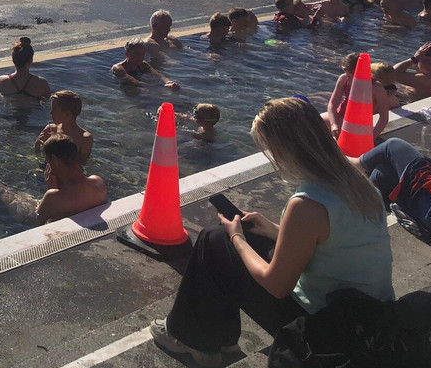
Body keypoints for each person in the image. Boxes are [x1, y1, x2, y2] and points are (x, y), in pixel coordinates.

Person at [150, 97, 393, 367]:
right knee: (248, 235)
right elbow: (332, 245)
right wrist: (272, 229)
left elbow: (277, 286)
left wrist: (237, 238)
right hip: (368, 315)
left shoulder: (307, 204)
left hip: (325, 327)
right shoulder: (359, 183)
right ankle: (215, 339)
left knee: (215, 240)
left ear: (284, 150)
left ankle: (191, 340)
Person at [35, 135, 108, 224]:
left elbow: (38, 224)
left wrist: (51, 190)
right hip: (93, 225)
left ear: (54, 160)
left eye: (48, 162)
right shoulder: (98, 183)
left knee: (23, 201)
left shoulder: (52, 198)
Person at [35, 90, 93, 164]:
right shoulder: (50, 129)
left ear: (67, 114)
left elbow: (82, 163)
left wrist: (55, 145)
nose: (51, 112)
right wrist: (41, 144)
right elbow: (37, 152)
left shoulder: (84, 138)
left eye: (54, 109)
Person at [0, 37, 52, 101]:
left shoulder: (2, 81)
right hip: (33, 107)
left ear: (13, 60)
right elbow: (48, 102)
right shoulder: (42, 83)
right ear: (30, 61)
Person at [112, 39, 180, 90]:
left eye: (143, 54)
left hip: (141, 85)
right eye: (136, 53)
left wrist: (168, 82)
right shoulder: (118, 68)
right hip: (125, 88)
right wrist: (159, 87)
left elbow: (159, 76)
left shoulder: (143, 64)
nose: (140, 57)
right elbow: (132, 80)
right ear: (127, 53)